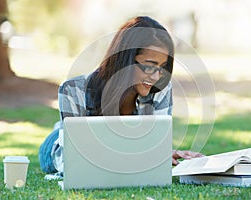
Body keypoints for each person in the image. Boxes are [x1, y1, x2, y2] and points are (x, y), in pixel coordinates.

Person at [39, 16, 204, 174]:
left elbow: (153, 147)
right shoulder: (73, 90)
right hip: (57, 146)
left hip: (120, 149)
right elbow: (71, 160)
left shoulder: (161, 89)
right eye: (149, 66)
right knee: (62, 140)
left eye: (162, 67)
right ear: (125, 60)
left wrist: (163, 155)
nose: (155, 77)